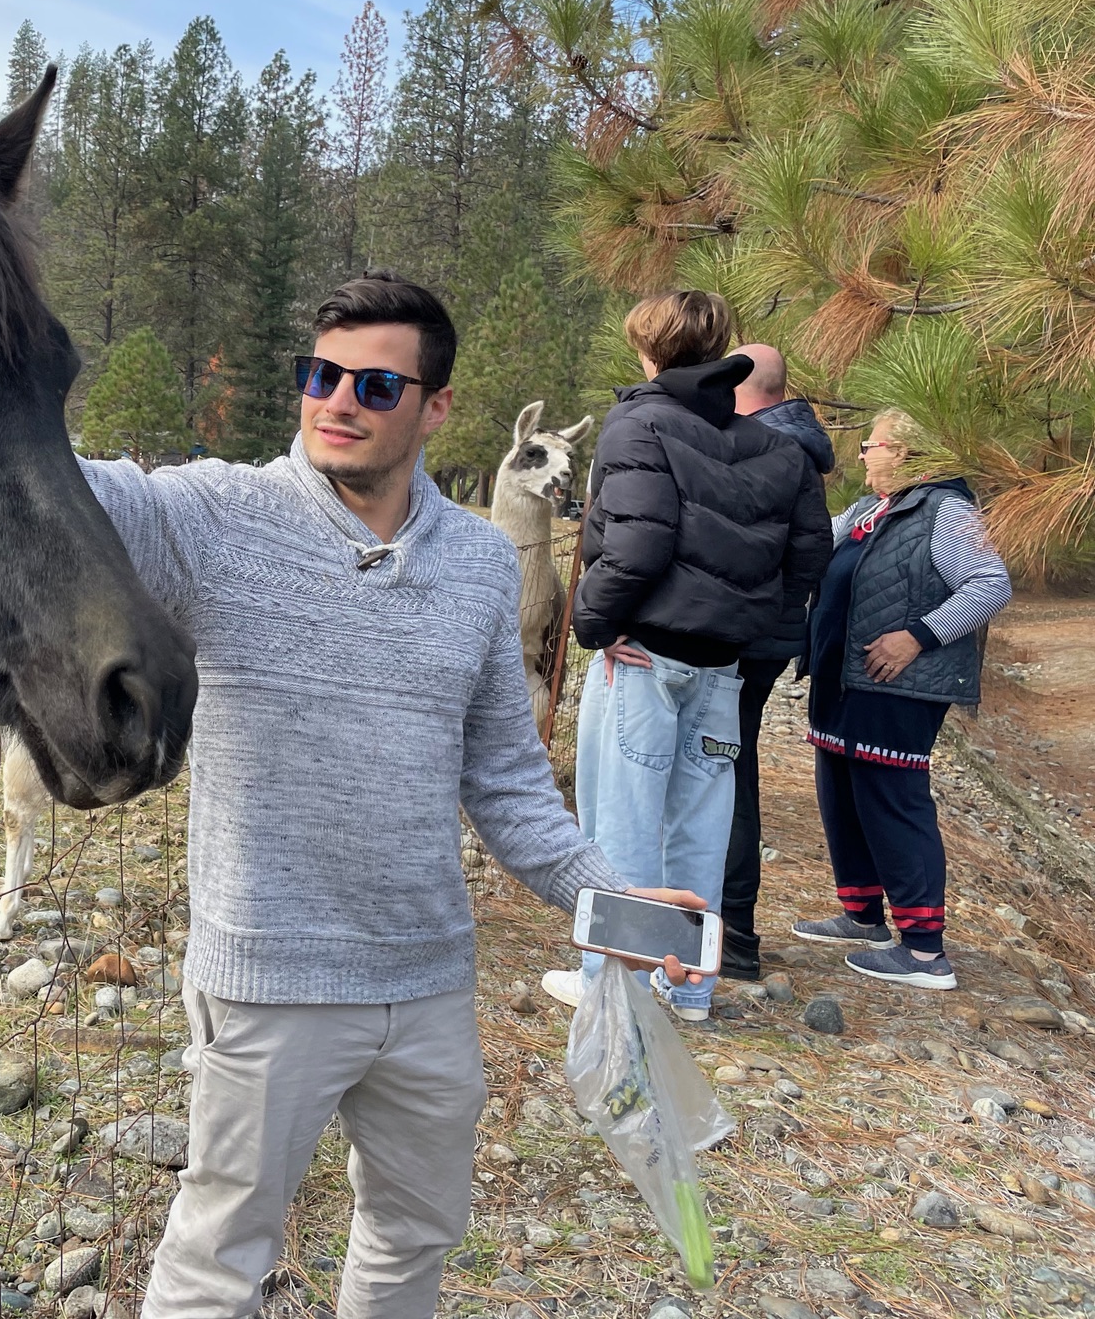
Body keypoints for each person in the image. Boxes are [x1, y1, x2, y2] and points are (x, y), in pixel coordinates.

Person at [76, 274, 701, 1319]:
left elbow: (503, 777)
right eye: (318, 376)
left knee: (413, 1236)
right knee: (217, 1255)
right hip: (267, 979)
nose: (335, 402)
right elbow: (68, 493)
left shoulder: (474, 563)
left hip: (424, 985)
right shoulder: (212, 515)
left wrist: (609, 904)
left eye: (372, 385)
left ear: (435, 406)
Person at [541, 292, 830, 1022]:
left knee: (620, 824)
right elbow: (808, 556)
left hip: (643, 658)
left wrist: (596, 624)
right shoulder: (778, 446)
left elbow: (635, 542)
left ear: (649, 350)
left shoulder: (638, 422)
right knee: (701, 826)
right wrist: (749, 629)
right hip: (721, 669)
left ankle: (618, 985)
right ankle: (691, 987)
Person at [791, 408, 1011, 990]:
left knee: (892, 801)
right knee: (842, 793)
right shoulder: (870, 511)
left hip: (899, 685)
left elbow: (991, 585)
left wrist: (919, 636)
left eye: (872, 444)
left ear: (906, 453)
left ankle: (922, 952)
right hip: (846, 677)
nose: (862, 454)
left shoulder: (947, 509)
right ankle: (863, 917)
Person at [718, 343, 835, 980]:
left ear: (738, 383)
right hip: (764, 643)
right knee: (735, 767)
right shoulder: (800, 450)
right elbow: (813, 551)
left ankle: (730, 935)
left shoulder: (757, 451)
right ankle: (730, 928)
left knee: (719, 775)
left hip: (732, 645)